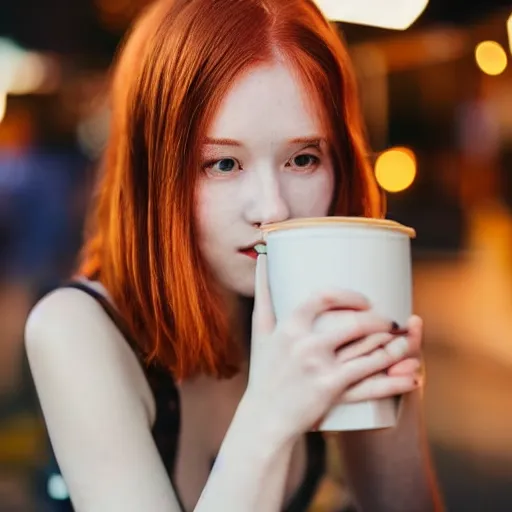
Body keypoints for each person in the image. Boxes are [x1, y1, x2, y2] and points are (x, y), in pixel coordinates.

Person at [25, 0, 444, 510]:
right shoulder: (76, 329)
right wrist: (271, 416)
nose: (273, 207)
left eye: (303, 158)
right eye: (223, 163)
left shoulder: (302, 304)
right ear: (152, 171)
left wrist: (393, 395)